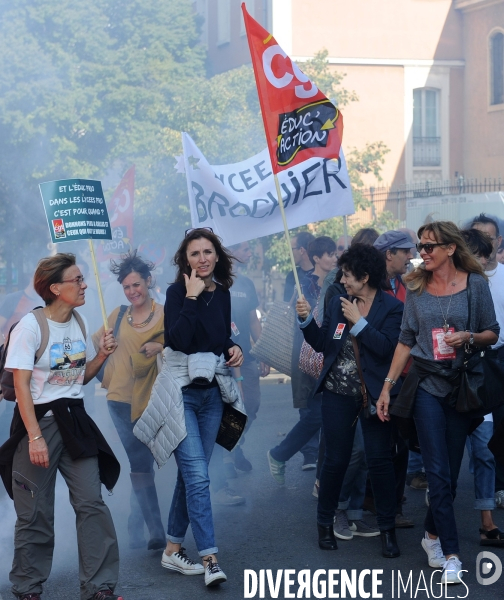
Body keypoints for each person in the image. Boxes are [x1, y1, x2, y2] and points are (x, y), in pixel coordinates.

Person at [376, 221, 499, 584]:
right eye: (420, 246)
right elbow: (405, 341)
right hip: (427, 385)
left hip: (462, 387)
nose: (423, 252)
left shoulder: (475, 285)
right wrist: (387, 387)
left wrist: (470, 336)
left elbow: (492, 332)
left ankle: (431, 535)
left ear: (450, 249)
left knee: (450, 471)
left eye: (430, 246)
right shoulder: (415, 287)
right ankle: (451, 555)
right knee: (437, 472)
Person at [0, 253, 124, 600]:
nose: (84, 285)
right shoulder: (29, 327)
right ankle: (27, 588)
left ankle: (98, 587)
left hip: (75, 423)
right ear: (55, 288)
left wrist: (100, 356)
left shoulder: (80, 324)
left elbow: (72, 379)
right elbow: (22, 387)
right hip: (37, 424)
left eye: (84, 279)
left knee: (92, 504)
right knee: (35, 513)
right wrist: (35, 438)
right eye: (77, 280)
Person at [134, 227, 245, 587]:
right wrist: (192, 297)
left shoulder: (224, 293)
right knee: (198, 476)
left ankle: (171, 549)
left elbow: (219, 336)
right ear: (186, 260)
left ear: (217, 255)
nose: (203, 259)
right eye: (195, 253)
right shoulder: (176, 292)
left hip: (212, 394)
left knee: (191, 474)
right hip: (181, 392)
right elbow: (178, 340)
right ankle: (210, 558)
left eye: (208, 252)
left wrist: (233, 348)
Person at [296, 244, 404, 558]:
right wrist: (306, 322)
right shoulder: (338, 302)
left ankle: (387, 530)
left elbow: (386, 348)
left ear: (365, 276)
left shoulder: (391, 307)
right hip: (336, 392)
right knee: (336, 460)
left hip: (374, 395)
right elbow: (322, 344)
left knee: (379, 462)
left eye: (347, 274)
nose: (342, 280)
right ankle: (324, 524)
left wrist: (359, 321)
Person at [93, 251, 165, 551]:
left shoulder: (165, 313)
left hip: (154, 399)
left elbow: (182, 341)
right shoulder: (117, 315)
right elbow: (98, 342)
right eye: (126, 287)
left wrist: (160, 344)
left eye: (137, 285)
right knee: (139, 461)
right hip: (120, 400)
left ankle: (137, 519)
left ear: (148, 282)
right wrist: (104, 345)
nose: (132, 291)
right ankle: (156, 530)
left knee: (146, 461)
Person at [267, 237, 337, 479]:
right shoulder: (303, 285)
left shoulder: (339, 280)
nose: (333, 258)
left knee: (327, 415)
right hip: (309, 353)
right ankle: (282, 454)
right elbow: (297, 321)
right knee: (315, 414)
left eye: (334, 253)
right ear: (316, 258)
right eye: (328, 254)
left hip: (334, 353)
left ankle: (321, 473)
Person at [373, 230, 417, 525]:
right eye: (405, 251)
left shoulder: (407, 284)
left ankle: (395, 507)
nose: (410, 256)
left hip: (406, 377)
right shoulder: (369, 288)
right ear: (389, 254)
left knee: (401, 446)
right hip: (376, 378)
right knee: (377, 448)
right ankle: (372, 505)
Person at [468, 215, 504, 511]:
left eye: (488, 238)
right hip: (470, 361)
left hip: (499, 358)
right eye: (476, 236)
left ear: (498, 242)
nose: (483, 242)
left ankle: (493, 495)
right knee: (479, 433)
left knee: (493, 434)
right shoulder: (463, 280)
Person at [283, 231, 315, 302]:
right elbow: (287, 304)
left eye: (292, 249)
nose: (289, 254)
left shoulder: (320, 274)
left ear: (301, 250)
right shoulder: (292, 276)